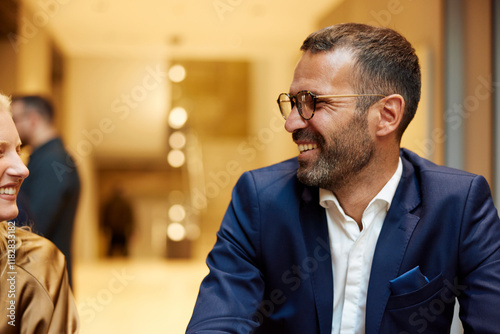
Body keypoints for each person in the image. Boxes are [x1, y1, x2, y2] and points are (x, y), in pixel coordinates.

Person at [187, 23, 500, 333]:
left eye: (314, 102)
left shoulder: (459, 204)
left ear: (387, 115)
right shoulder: (259, 199)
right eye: (293, 102)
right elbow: (217, 323)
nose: (292, 123)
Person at [0, 93, 79, 333]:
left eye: (18, 149)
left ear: (33, 119)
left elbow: (36, 222)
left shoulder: (52, 161)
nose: (21, 169)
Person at [11, 95, 80, 287]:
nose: (11, 126)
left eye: (15, 119)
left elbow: (33, 228)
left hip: (45, 283)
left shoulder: (53, 162)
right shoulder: (48, 158)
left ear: (33, 119)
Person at [101, 186, 135, 257]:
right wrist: (131, 230)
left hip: (113, 231)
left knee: (111, 251)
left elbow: (104, 217)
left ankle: (108, 265)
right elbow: (130, 218)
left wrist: (104, 228)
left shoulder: (109, 203)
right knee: (125, 252)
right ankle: (127, 265)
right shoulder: (126, 204)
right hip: (123, 230)